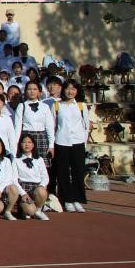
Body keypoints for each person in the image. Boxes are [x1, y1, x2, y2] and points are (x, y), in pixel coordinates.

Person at [52, 79, 91, 213]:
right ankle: (67, 200)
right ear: (63, 90)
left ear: (77, 91)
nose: (70, 91)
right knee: (62, 172)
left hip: (78, 142)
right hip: (61, 142)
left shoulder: (81, 106)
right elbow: (53, 126)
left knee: (78, 172)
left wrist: (84, 142)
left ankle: (77, 199)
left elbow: (86, 126)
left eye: (73, 89)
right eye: (68, 88)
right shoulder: (57, 105)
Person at [14, 134, 50, 221]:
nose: (27, 144)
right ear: (20, 144)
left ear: (33, 145)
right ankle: (25, 209)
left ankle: (38, 210)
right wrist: (23, 193)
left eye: (29, 142)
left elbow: (45, 177)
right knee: (30, 211)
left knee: (41, 191)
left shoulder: (39, 159)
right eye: (24, 142)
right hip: (23, 188)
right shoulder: (16, 160)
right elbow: (14, 179)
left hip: (36, 188)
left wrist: (41, 186)